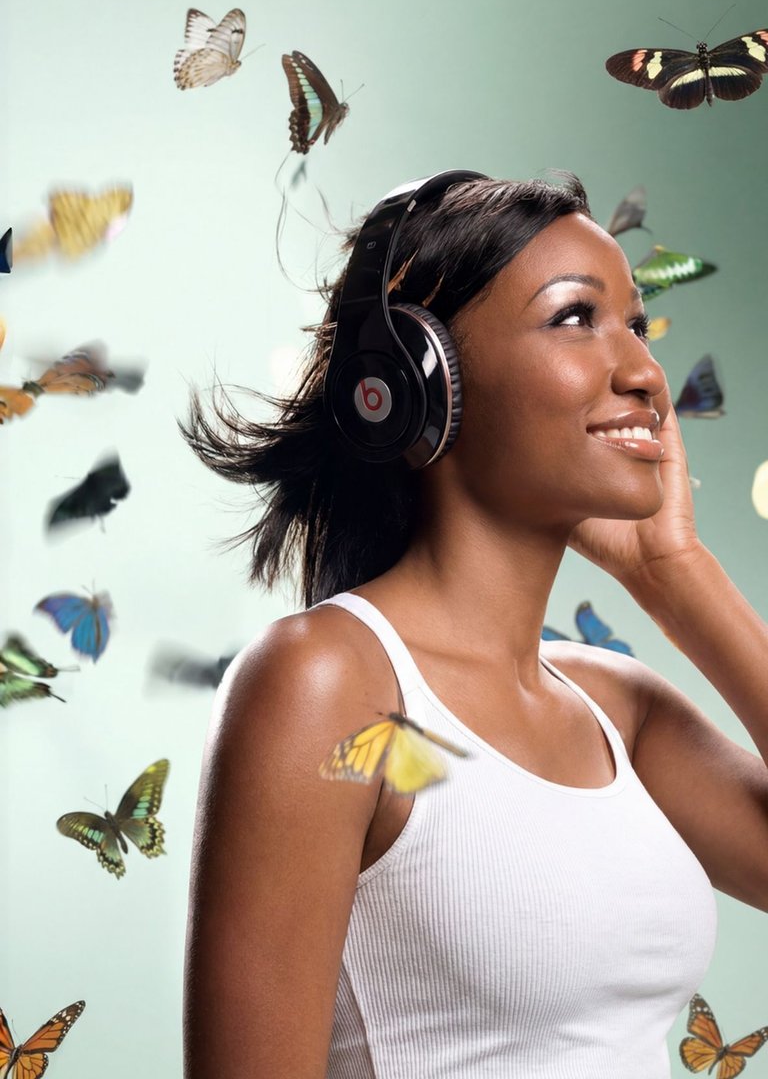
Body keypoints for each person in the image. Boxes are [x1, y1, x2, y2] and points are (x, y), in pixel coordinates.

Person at [179, 170, 768, 1079]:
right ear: (420, 380)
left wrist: (677, 576)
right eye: (576, 317)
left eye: (639, 327)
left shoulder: (622, 712)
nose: (646, 373)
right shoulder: (327, 682)